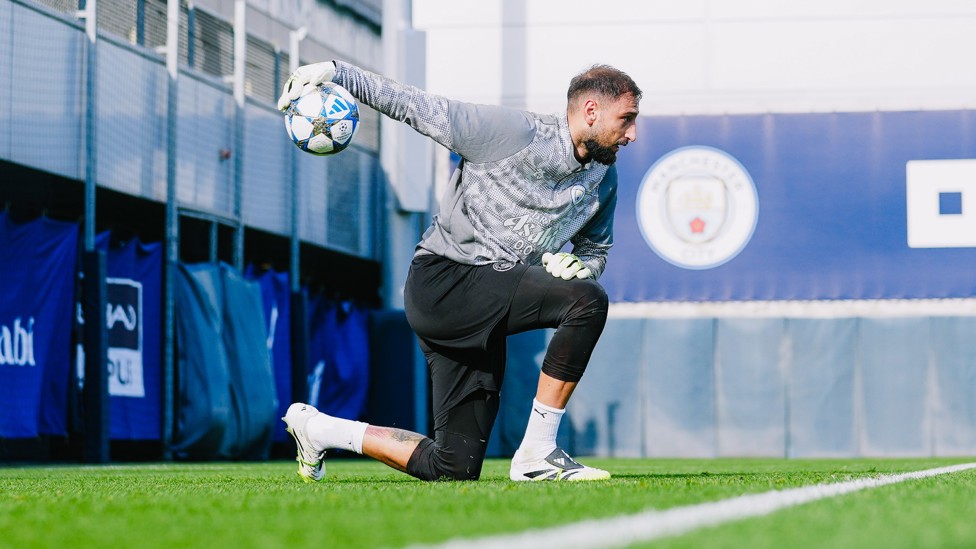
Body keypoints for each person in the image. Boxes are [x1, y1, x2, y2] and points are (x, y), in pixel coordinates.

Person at [277, 58, 640, 482]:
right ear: (591, 111)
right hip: (444, 282)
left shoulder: (604, 177)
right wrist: (337, 73)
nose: (632, 134)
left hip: (488, 300)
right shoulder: (513, 132)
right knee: (587, 303)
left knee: (453, 467)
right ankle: (538, 452)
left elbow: (595, 249)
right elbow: (411, 104)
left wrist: (582, 265)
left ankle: (319, 429)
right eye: (626, 119)